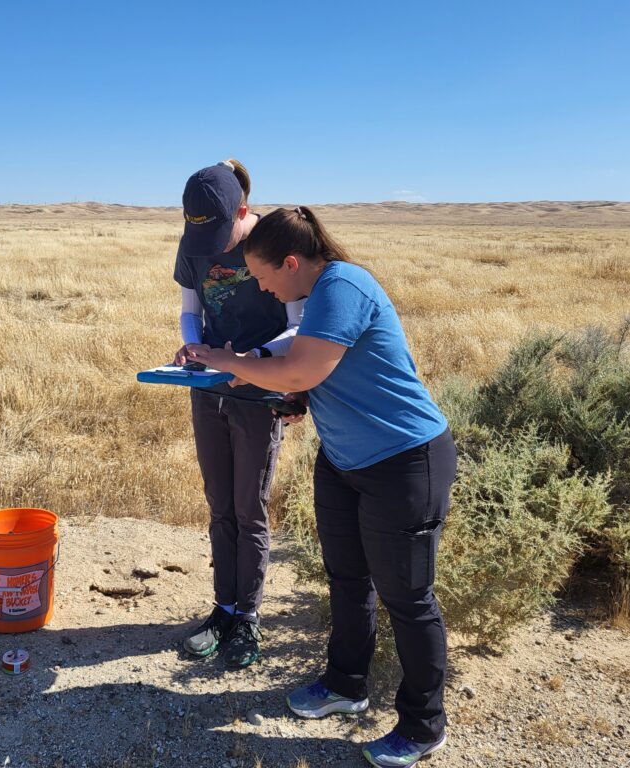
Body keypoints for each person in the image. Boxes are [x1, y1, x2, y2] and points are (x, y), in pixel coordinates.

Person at [186, 206, 457, 767]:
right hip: (344, 460)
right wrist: (299, 398)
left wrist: (225, 359)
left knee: (408, 599)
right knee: (348, 579)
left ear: (291, 261)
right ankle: (346, 685)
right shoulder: (314, 298)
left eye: (263, 276)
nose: (259, 286)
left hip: (404, 461)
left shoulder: (343, 285)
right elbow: (318, 375)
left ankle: (424, 724)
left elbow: (299, 368)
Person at [172, 161, 305, 669]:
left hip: (257, 395)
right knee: (219, 504)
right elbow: (191, 308)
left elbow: (299, 326)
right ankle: (222, 610)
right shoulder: (193, 244)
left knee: (250, 507)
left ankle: (247, 619)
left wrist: (252, 364)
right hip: (207, 391)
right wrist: (193, 346)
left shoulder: (273, 243)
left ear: (243, 213)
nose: (209, 251)